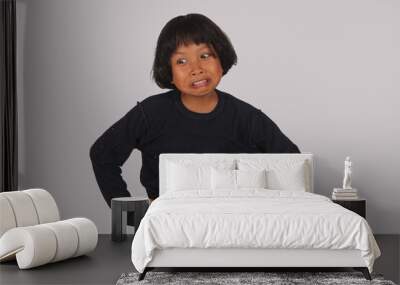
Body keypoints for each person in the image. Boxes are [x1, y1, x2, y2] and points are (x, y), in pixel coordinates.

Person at [90, 13, 300, 209]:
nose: (196, 68)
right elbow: (102, 154)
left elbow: (292, 163)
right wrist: (132, 215)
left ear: (221, 60)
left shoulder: (246, 117)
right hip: (168, 225)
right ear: (168, 71)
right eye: (181, 61)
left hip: (234, 221)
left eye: (205, 55)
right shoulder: (151, 113)